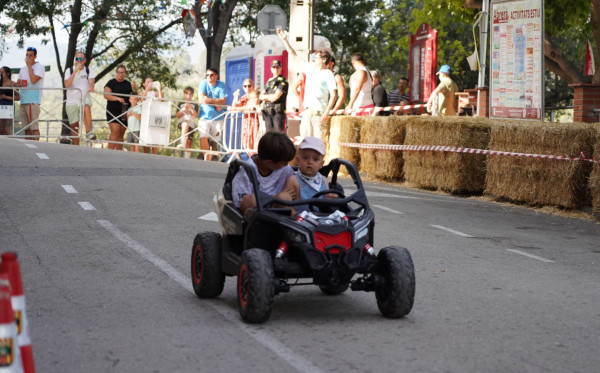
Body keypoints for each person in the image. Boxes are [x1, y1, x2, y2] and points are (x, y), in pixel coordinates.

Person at [277, 28, 337, 140]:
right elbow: (293, 54)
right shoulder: (310, 68)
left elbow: (334, 95)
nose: (313, 59)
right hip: (307, 111)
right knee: (305, 141)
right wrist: (285, 40)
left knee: (318, 141)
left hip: (319, 113)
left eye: (316, 57)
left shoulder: (328, 74)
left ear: (324, 59)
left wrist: (328, 111)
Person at [232, 131, 297, 215]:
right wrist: (274, 199)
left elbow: (290, 192)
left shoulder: (283, 168)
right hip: (257, 213)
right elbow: (242, 204)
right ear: (269, 163)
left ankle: (297, 218)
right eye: (284, 163)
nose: (286, 165)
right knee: (250, 200)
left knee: (292, 183)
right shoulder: (246, 173)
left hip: (279, 208)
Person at [289, 136, 330, 213]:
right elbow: (285, 202)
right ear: (298, 160)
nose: (310, 162)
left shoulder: (324, 180)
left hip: (321, 219)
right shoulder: (293, 180)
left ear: (321, 164)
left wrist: (333, 197)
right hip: (298, 221)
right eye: (305, 158)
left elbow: (327, 202)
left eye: (315, 159)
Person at [64, 51, 96, 145]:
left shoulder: (89, 70)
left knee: (86, 107)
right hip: (71, 101)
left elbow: (91, 81)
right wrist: (75, 71)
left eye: (81, 59)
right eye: (77, 59)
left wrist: (91, 86)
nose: (79, 61)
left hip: (84, 97)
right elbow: (67, 85)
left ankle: (88, 132)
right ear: (75, 60)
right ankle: (76, 148)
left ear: (85, 60)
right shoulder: (69, 70)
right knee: (74, 127)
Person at [198, 67, 227, 161]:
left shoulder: (221, 84)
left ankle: (210, 160)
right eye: (207, 75)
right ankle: (207, 160)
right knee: (203, 137)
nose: (209, 77)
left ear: (216, 76)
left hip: (218, 117)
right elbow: (201, 99)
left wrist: (209, 100)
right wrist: (215, 102)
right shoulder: (203, 83)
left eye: (211, 75)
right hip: (204, 116)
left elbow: (223, 101)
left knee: (214, 141)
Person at [103, 64, 135, 150]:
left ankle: (119, 153)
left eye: (123, 73)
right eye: (119, 72)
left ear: (125, 73)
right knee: (115, 131)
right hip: (112, 111)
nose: (121, 74)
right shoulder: (111, 82)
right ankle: (110, 152)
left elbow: (134, 96)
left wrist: (135, 89)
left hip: (125, 111)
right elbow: (106, 95)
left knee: (121, 132)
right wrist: (117, 98)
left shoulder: (128, 84)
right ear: (116, 72)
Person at [16, 46, 45, 141]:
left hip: (33, 101)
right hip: (23, 100)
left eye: (30, 55)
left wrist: (29, 66)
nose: (28, 57)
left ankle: (37, 146)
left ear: (35, 56)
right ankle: (29, 148)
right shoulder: (22, 69)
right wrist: (18, 84)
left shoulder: (40, 67)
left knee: (34, 128)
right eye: (27, 55)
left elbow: (33, 80)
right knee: (26, 129)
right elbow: (18, 84)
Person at [230, 79, 261, 152]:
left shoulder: (256, 95)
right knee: (246, 143)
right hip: (247, 121)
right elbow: (235, 105)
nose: (247, 88)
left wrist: (235, 108)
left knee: (255, 142)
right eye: (245, 86)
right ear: (243, 87)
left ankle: (255, 160)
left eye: (249, 86)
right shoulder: (244, 97)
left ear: (252, 86)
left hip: (255, 121)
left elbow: (250, 108)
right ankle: (251, 159)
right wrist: (235, 97)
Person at [260, 60, 288, 133]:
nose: (276, 69)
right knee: (269, 135)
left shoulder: (283, 81)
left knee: (278, 134)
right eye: (274, 67)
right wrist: (269, 96)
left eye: (277, 67)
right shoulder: (269, 82)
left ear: (281, 68)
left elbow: (275, 97)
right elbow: (260, 96)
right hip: (267, 111)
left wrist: (266, 97)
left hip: (277, 112)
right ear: (271, 69)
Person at [139, 77, 164, 154]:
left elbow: (161, 100)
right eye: (147, 82)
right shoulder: (141, 92)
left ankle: (155, 154)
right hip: (146, 115)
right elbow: (142, 99)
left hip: (154, 115)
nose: (149, 83)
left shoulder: (155, 93)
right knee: (146, 136)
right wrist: (147, 89)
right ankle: (146, 154)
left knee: (154, 136)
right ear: (144, 84)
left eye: (151, 82)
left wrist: (159, 89)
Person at [176, 86, 199, 159]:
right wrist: (183, 108)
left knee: (189, 141)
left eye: (190, 94)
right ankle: (182, 143)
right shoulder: (180, 103)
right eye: (187, 94)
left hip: (191, 123)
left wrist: (191, 108)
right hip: (182, 121)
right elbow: (177, 115)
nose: (188, 96)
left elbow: (195, 115)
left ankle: (187, 158)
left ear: (192, 95)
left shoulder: (195, 104)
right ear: (184, 94)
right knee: (185, 125)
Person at [0, 66, 19, 136]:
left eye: (2, 72)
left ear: (7, 73)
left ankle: (12, 143)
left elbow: (18, 97)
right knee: (1, 128)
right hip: (1, 106)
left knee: (7, 128)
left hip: (9, 106)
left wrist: (6, 97)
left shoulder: (13, 84)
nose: (0, 73)